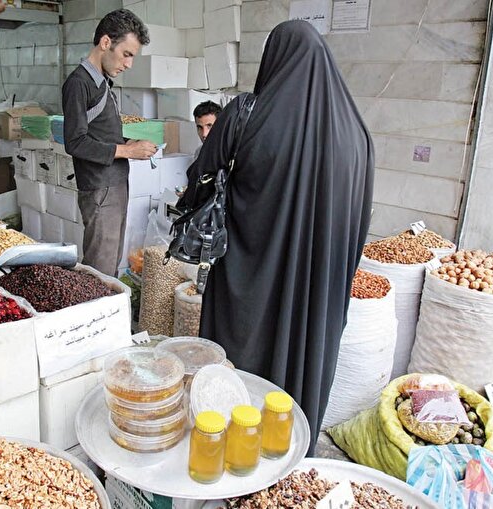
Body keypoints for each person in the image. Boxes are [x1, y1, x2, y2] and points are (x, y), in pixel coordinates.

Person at [179, 20, 374, 455]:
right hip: (318, 284)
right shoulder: (356, 134)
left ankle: (228, 445)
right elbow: (359, 219)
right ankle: (288, 451)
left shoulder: (244, 113)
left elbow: (201, 179)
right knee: (301, 356)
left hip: (248, 276)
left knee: (238, 365)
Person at [62, 9, 158, 277]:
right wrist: (127, 150)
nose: (129, 64)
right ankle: (92, 305)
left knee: (111, 265)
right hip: (99, 188)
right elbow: (75, 141)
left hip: (114, 184)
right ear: (106, 42)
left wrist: (130, 142)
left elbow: (100, 133)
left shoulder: (102, 82)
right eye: (126, 54)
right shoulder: (79, 83)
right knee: (99, 270)